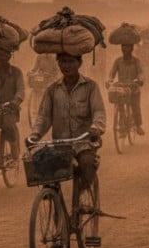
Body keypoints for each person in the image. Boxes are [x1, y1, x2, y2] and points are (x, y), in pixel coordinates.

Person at [28, 52, 106, 199]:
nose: (66, 66)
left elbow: (99, 112)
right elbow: (43, 118)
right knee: (44, 169)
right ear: (58, 63)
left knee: (88, 165)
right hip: (60, 145)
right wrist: (34, 135)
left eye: (71, 61)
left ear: (79, 63)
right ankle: (56, 203)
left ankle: (81, 201)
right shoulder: (52, 90)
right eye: (63, 62)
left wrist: (96, 128)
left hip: (84, 144)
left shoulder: (90, 87)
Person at [108, 43, 145, 135]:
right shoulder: (118, 61)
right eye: (123, 46)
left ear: (132, 48)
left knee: (135, 105)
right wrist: (109, 80)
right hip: (122, 87)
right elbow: (112, 73)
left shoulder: (136, 61)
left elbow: (141, 73)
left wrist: (140, 80)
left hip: (133, 87)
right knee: (119, 104)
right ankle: (122, 126)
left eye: (127, 46)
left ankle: (138, 125)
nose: (125, 49)